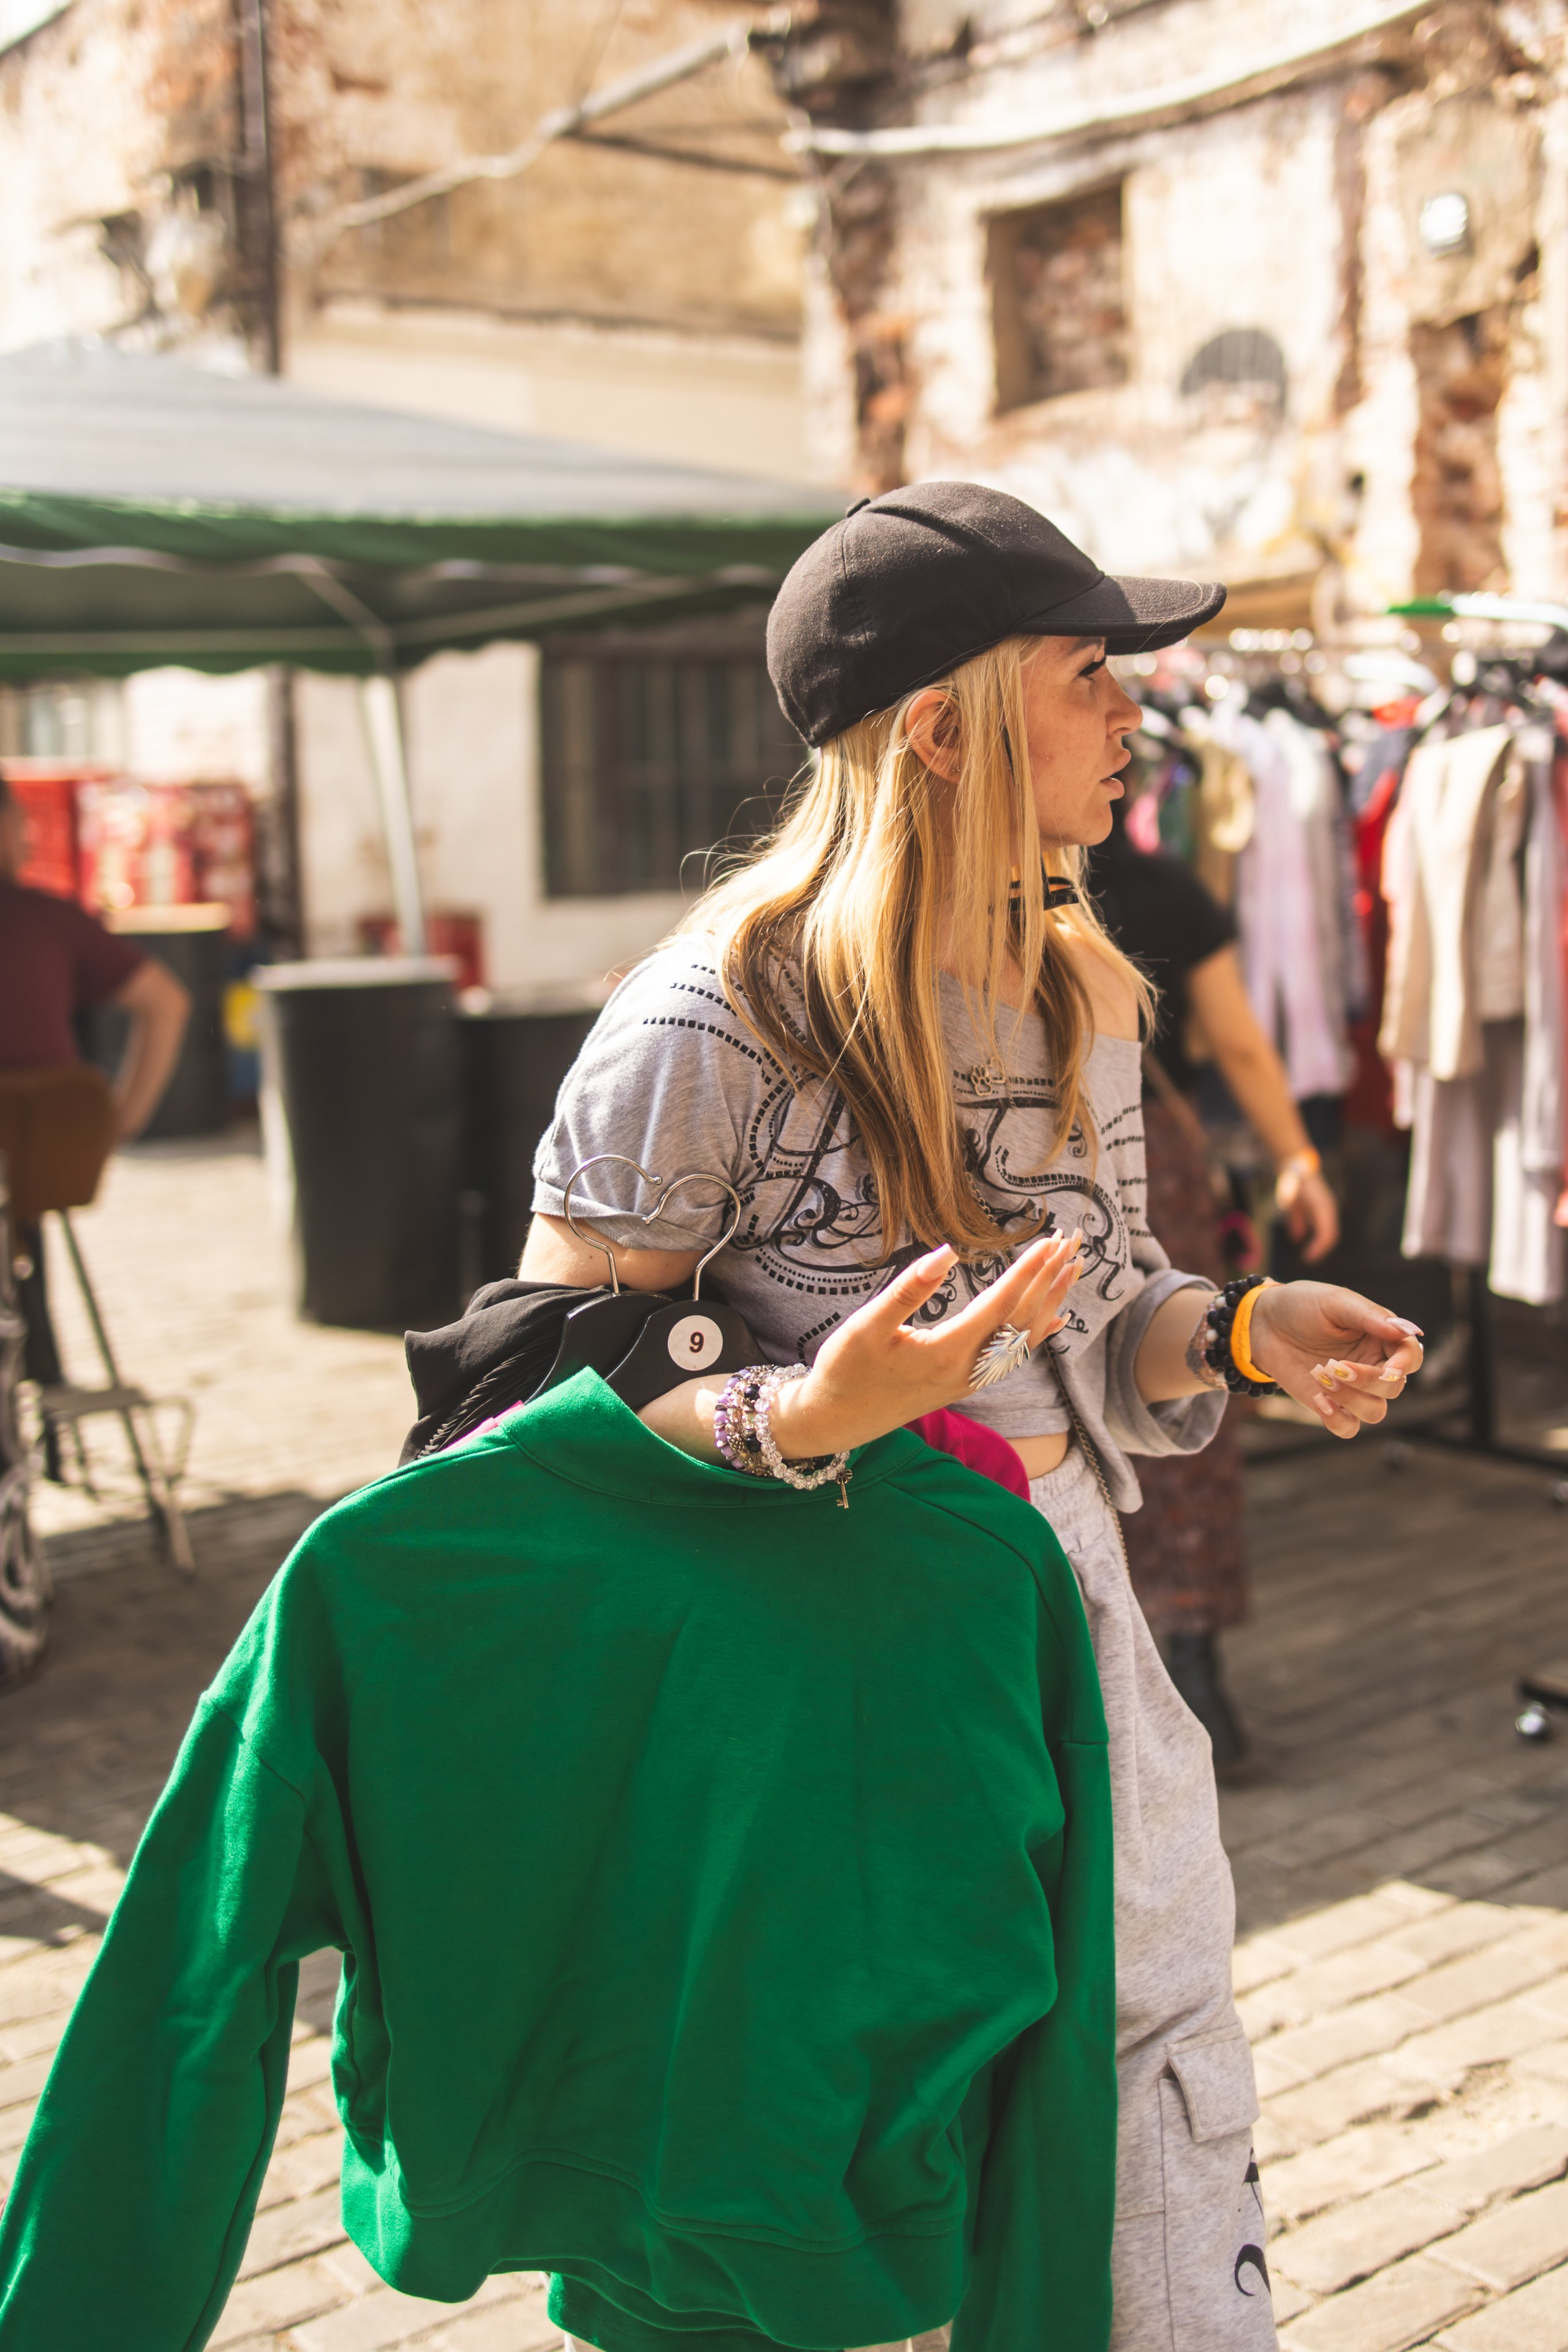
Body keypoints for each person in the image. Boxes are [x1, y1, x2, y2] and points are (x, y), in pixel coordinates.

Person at [522, 483, 1423, 2351]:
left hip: (1081, 1651)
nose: (1134, 718)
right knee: (886, 2180)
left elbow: (1101, 1321)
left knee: (1152, 2100)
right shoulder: (703, 1020)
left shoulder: (1076, 984)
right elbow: (530, 1400)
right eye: (1089, 675)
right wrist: (813, 1406)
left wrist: (1241, 1329)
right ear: (939, 728)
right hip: (829, 1706)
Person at [1089, 797, 1342, 1768]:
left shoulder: (993, 894)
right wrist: (1298, 1156)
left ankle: (1107, 1671)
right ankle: (1192, 1672)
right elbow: (1235, 1040)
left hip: (1022, 1168)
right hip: (1155, 1163)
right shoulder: (1166, 894)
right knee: (1186, 1395)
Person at [0, 773, 190, 1421]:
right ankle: (42, 1375)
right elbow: (168, 1002)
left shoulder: (50, 916)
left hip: (25, 1175)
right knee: (21, 1211)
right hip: (41, 1173)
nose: (28, 835)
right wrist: (115, 1123)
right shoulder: (50, 918)